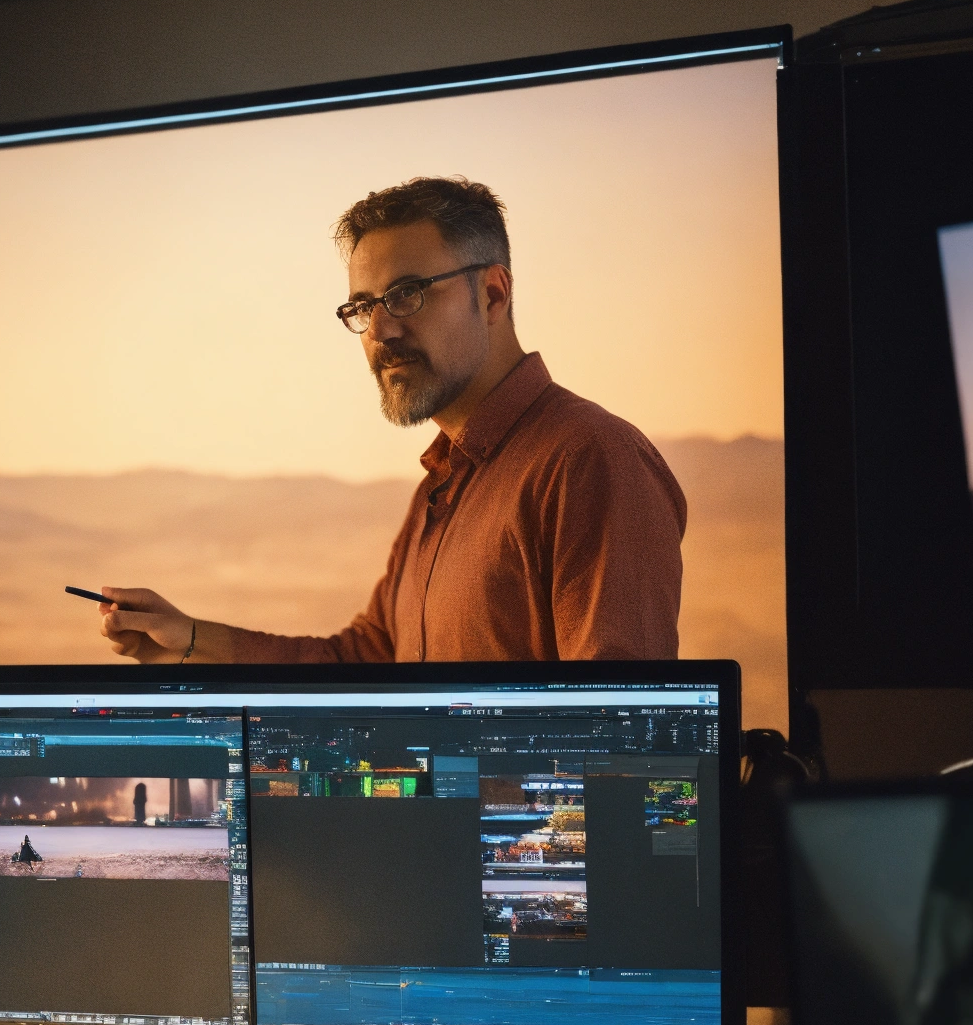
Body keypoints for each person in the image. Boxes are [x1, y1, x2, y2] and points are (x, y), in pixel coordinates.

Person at [100, 176, 685, 665]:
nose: (380, 331)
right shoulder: (444, 481)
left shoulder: (588, 458)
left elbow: (622, 732)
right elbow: (365, 661)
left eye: (407, 294)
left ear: (493, 294)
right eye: (362, 307)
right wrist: (192, 639)